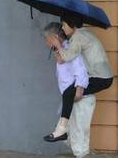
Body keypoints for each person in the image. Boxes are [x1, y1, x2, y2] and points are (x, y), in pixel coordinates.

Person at [45, 14, 113, 142]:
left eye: (64, 25)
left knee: (68, 93)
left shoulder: (78, 37)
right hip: (101, 75)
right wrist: (57, 49)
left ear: (72, 24)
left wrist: (58, 46)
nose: (63, 28)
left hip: (101, 77)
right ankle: (62, 130)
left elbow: (67, 57)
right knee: (69, 94)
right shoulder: (82, 34)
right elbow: (63, 60)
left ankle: (61, 130)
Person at [42, 22, 90, 142]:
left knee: (78, 139)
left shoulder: (70, 49)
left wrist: (79, 91)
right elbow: (63, 63)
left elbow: (81, 70)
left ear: (55, 38)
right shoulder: (62, 51)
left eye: (47, 39)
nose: (46, 42)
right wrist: (57, 50)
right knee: (69, 139)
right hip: (71, 100)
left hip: (79, 98)